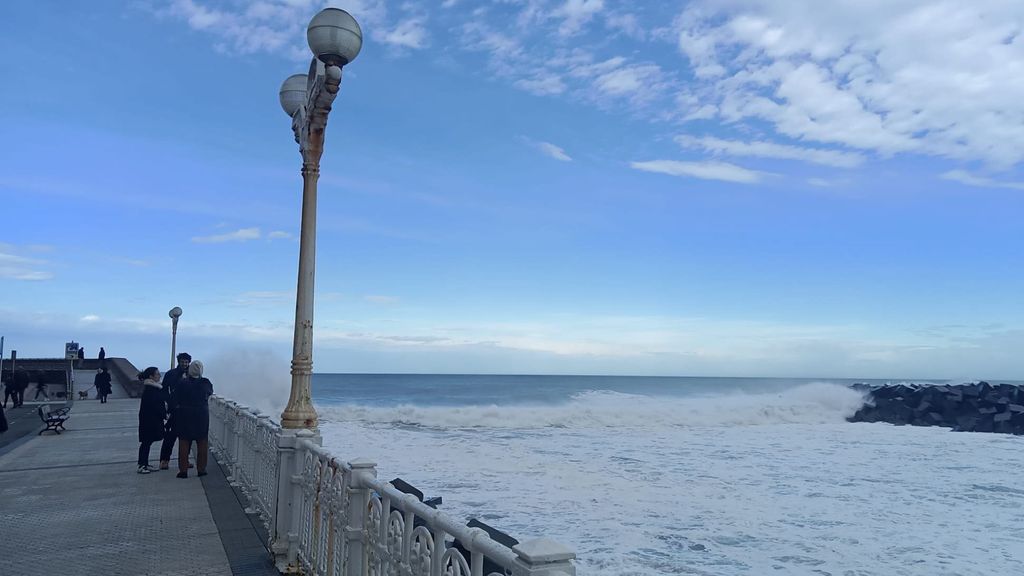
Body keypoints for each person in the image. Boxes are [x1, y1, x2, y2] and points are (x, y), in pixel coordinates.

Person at [175, 360, 212, 479]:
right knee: (202, 442)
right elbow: (209, 392)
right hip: (201, 414)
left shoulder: (182, 383)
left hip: (185, 414)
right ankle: (201, 469)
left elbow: (176, 397)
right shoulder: (205, 383)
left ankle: (183, 471)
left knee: (184, 442)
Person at [159, 353, 191, 470]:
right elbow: (164, 390)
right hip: (174, 410)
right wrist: (170, 402)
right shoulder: (170, 374)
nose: (185, 364)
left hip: (187, 410)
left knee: (187, 437)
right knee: (170, 436)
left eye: (186, 362)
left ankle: (185, 460)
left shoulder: (191, 374)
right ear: (179, 361)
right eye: (183, 361)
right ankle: (164, 460)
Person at [136, 367, 165, 474]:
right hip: (149, 420)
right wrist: (164, 414)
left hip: (149, 419)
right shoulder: (151, 389)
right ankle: (142, 465)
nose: (159, 376)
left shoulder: (152, 388)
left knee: (147, 442)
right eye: (157, 374)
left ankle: (145, 463)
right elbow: (155, 405)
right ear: (151, 376)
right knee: (146, 442)